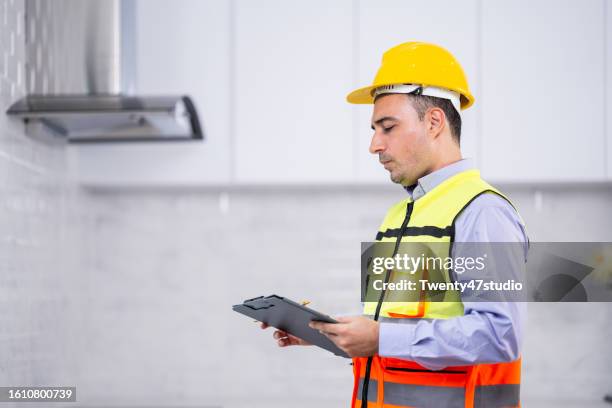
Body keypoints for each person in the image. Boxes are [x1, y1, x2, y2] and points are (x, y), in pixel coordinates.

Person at [262, 41, 528, 408]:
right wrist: (331, 334)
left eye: (387, 127)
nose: (374, 144)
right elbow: (394, 334)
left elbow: (501, 334)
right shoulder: (399, 217)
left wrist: (381, 339)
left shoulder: (482, 212)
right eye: (374, 129)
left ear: (434, 121)